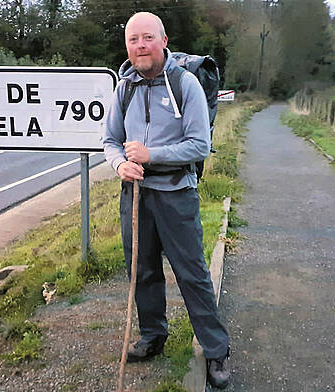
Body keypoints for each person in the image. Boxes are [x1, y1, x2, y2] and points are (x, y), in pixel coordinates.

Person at [103, 11, 230, 389]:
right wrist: (119, 166)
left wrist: (150, 155)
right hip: (135, 196)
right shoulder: (123, 88)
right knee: (141, 271)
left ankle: (216, 349)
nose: (139, 46)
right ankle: (153, 335)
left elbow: (199, 145)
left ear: (163, 40)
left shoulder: (184, 83)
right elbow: (109, 141)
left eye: (146, 38)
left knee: (192, 274)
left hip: (176, 195)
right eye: (132, 40)